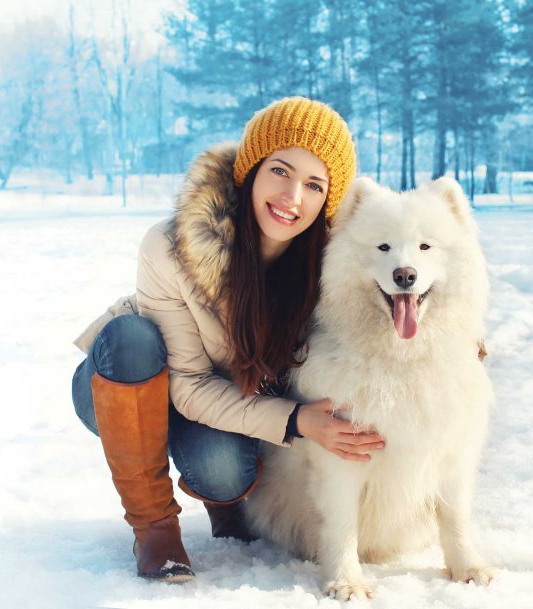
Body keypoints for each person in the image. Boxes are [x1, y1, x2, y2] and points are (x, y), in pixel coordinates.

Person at [70, 97, 385, 583]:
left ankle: (226, 497)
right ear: (252, 168)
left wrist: (454, 338)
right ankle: (153, 527)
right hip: (127, 376)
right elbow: (189, 384)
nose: (292, 196)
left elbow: (381, 289)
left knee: (224, 473)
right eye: (281, 170)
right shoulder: (172, 245)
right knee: (133, 337)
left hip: (225, 394)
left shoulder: (323, 265)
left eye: (314, 184)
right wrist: (297, 420)